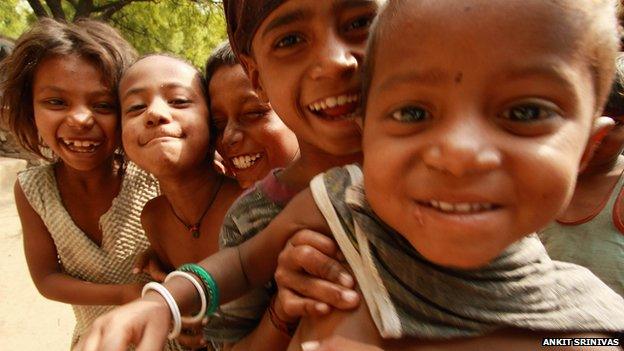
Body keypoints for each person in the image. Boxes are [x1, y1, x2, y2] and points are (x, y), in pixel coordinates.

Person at [79, 0, 624, 350]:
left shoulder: (588, 323)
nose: (460, 153)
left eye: (525, 113)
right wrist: (163, 304)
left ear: (589, 148)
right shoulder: (343, 201)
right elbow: (243, 261)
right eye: (415, 113)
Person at [77, 1, 381, 350]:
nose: (334, 61)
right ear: (258, 77)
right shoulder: (308, 201)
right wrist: (164, 300)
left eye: (360, 22)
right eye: (291, 40)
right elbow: (241, 263)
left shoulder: (442, 161)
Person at [0, 18, 159, 347]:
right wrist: (123, 294)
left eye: (102, 105)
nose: (80, 119)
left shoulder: (153, 176)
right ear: (30, 111)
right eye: (56, 102)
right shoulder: (34, 191)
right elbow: (46, 278)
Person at [119, 53, 245, 349]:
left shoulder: (247, 202)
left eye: (179, 101)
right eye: (136, 107)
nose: (156, 113)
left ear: (212, 121)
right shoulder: (153, 218)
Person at [539, 54, 624, 297]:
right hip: (540, 329)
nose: (598, 131)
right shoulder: (534, 181)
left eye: (616, 123)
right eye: (589, 117)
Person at [206, 41, 299, 189]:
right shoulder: (239, 210)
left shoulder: (343, 197)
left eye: (252, 113)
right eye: (219, 124)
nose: (228, 137)